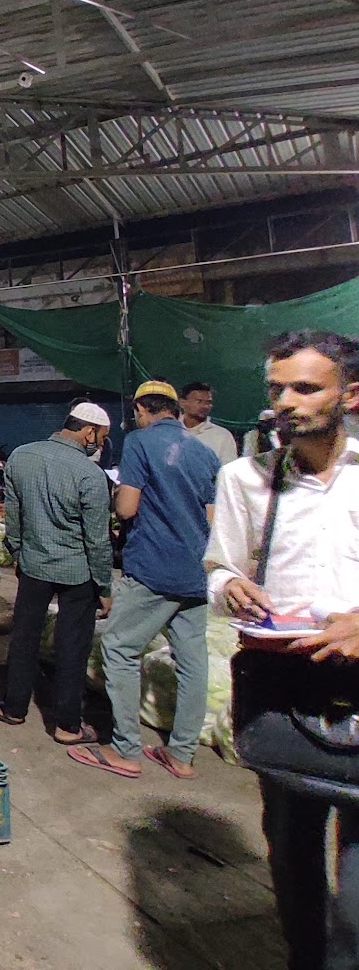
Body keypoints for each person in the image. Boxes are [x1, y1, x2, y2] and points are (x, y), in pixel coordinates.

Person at [210, 331, 359, 970]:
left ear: (350, 393)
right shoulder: (243, 479)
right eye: (277, 389)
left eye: (305, 387)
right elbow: (218, 568)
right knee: (294, 861)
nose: (287, 403)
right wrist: (230, 585)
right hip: (286, 694)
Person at [72, 381, 218, 778]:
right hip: (194, 570)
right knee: (192, 662)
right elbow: (210, 517)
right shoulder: (204, 452)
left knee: (119, 647)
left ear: (141, 408)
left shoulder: (139, 442)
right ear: (175, 408)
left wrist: (120, 495)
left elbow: (128, 507)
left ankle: (125, 749)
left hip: (154, 567)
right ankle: (182, 755)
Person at [0, 401, 113, 742]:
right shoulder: (91, 475)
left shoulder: (22, 457)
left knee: (23, 636)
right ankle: (67, 726)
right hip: (77, 573)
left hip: (34, 566)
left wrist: (20, 552)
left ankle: (14, 708)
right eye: (101, 437)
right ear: (88, 431)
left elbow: (14, 516)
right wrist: (105, 585)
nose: (100, 444)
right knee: (72, 646)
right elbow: (97, 540)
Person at [179, 380, 238, 465]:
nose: (205, 406)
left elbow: (229, 470)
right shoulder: (169, 431)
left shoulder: (222, 436)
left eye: (209, 402)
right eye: (199, 401)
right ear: (182, 403)